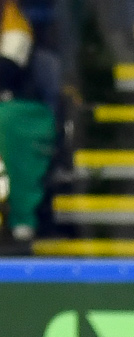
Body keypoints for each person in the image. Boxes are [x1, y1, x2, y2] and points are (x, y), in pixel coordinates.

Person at [0, 0, 56, 244]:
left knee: (9, 122)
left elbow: (6, 71)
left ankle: (22, 221)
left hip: (24, 113)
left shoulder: (14, 24)